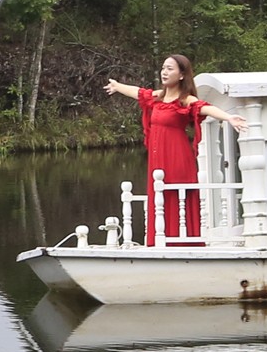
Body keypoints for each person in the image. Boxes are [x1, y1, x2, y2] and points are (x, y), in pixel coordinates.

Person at [101, 54, 246, 243]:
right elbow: (138, 92)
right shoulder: (158, 97)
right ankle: (159, 240)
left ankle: (181, 242)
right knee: (159, 193)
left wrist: (228, 117)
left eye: (170, 69)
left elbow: (205, 108)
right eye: (163, 68)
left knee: (175, 193)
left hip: (177, 155)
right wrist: (118, 86)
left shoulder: (185, 99)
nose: (164, 72)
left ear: (181, 75)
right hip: (158, 156)